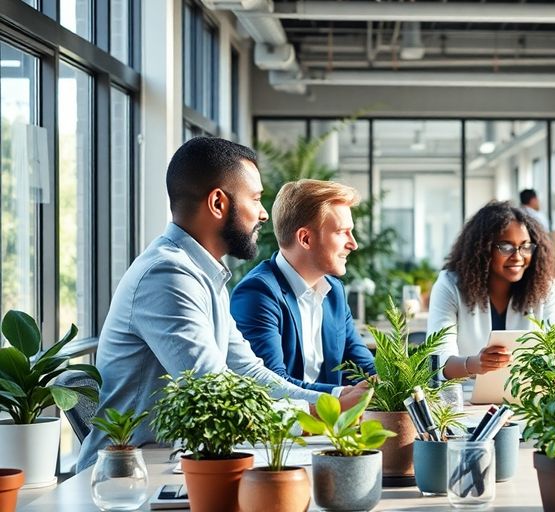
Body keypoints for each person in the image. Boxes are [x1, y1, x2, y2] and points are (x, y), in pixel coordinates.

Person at [79, 138, 362, 469]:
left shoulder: (205, 275)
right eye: (255, 199)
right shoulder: (167, 275)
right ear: (218, 203)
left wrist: (334, 400)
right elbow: (213, 397)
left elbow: (249, 373)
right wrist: (322, 411)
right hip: (127, 478)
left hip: (171, 463)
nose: (263, 214)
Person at [230, 179, 375, 394]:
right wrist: (340, 396)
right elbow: (271, 385)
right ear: (305, 239)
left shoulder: (334, 291)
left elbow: (364, 370)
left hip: (334, 425)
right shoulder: (258, 293)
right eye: (342, 232)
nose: (353, 244)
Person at [428, 200, 555, 379]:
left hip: (529, 398)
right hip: (465, 397)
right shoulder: (449, 285)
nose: (518, 256)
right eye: (505, 247)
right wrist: (474, 364)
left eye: (525, 246)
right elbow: (438, 362)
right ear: (482, 249)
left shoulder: (545, 287)